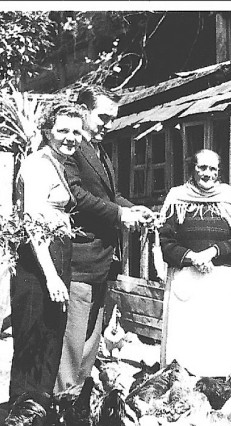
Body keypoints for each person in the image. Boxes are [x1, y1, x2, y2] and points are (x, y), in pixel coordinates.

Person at [55, 86, 152, 394]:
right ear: (83, 111)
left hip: (102, 259)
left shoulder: (99, 150)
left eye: (113, 118)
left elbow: (108, 195)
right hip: (81, 257)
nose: (108, 125)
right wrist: (119, 215)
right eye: (104, 117)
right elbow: (77, 196)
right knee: (73, 339)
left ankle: (79, 402)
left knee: (91, 339)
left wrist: (129, 208)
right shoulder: (71, 150)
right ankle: (63, 402)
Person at [9, 102, 84, 404]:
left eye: (77, 131)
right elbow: (33, 223)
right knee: (32, 342)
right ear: (47, 131)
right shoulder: (38, 164)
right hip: (37, 260)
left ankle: (36, 419)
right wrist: (51, 276)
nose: (71, 137)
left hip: (58, 254)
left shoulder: (59, 163)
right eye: (63, 130)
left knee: (50, 340)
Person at [158, 149, 231, 377]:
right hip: (187, 279)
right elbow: (165, 241)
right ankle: (183, 381)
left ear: (218, 172)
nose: (207, 173)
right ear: (193, 168)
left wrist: (211, 252)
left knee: (218, 338)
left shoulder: (227, 199)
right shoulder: (177, 198)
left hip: (222, 282)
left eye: (212, 169)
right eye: (202, 168)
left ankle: (220, 381)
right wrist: (193, 256)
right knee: (189, 339)